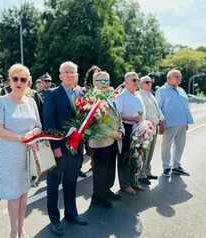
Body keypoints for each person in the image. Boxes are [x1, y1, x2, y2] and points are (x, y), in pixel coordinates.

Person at [0, 64, 41, 238]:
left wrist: (30, 135)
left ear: (28, 82)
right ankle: (13, 231)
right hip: (9, 154)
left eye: (23, 79)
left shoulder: (32, 102)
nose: (19, 82)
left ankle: (22, 227)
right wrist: (22, 138)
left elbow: (38, 127)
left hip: (27, 154)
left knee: (24, 192)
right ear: (9, 81)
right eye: (15, 78)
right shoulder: (1, 101)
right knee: (13, 194)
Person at [44, 61, 88, 237]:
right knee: (53, 185)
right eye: (67, 72)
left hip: (77, 148)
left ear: (77, 75)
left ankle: (71, 213)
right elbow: (49, 122)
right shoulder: (52, 94)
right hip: (59, 148)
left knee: (71, 181)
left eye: (73, 72)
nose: (70, 75)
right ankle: (55, 220)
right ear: (60, 75)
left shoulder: (81, 93)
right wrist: (55, 147)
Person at [89, 71, 124, 209]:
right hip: (100, 141)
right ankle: (97, 197)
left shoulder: (110, 96)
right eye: (101, 81)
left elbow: (117, 115)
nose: (105, 83)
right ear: (94, 82)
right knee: (100, 170)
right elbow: (94, 121)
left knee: (110, 168)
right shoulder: (91, 98)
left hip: (114, 139)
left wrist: (121, 130)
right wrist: (111, 133)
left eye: (107, 80)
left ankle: (106, 191)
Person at [155, 69, 193, 177]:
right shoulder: (161, 91)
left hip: (182, 123)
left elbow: (185, 107)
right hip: (169, 123)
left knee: (180, 145)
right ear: (168, 78)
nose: (179, 78)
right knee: (166, 146)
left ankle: (176, 166)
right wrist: (160, 123)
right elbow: (158, 107)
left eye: (180, 77)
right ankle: (166, 167)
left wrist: (186, 121)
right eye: (176, 76)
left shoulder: (181, 90)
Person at [115, 72, 145, 194]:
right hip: (127, 129)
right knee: (124, 158)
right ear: (126, 82)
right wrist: (133, 119)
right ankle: (125, 185)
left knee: (136, 157)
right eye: (133, 80)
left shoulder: (138, 95)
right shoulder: (122, 96)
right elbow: (118, 115)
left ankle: (134, 182)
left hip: (138, 130)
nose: (136, 82)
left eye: (137, 80)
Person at [138, 76, 165, 184]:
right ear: (141, 84)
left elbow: (158, 109)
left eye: (151, 82)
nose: (150, 84)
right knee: (145, 152)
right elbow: (146, 112)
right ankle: (141, 174)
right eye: (147, 82)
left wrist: (161, 119)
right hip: (147, 127)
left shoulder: (150, 94)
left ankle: (147, 171)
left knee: (151, 151)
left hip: (154, 127)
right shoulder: (140, 95)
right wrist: (158, 121)